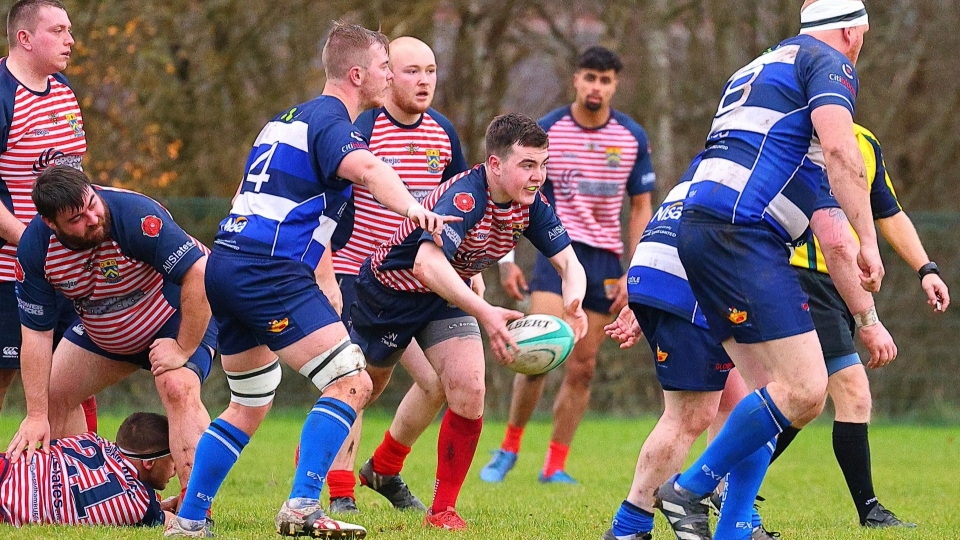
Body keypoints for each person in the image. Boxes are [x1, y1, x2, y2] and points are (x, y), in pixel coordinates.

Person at [165, 22, 455, 539]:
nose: (391, 76)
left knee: (248, 403)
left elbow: (259, 202)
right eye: (385, 67)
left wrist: (323, 281)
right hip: (267, 269)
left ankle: (188, 522)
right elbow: (368, 170)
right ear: (358, 73)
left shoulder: (284, 121)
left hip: (228, 263)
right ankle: (302, 505)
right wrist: (415, 207)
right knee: (352, 382)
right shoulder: (330, 120)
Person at [652, 2, 883, 539]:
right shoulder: (829, 61)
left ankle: (734, 529)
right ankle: (690, 489)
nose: (860, 49)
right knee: (805, 390)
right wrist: (867, 237)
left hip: (700, 224)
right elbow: (840, 148)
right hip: (744, 232)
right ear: (850, 30)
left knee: (767, 395)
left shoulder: (758, 67)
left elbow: (798, 164)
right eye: (863, 37)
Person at [349, 112, 588, 529]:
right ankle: (312, 478)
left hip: (446, 295)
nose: (538, 176)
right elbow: (425, 264)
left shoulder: (531, 206)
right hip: (390, 294)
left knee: (468, 387)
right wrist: (486, 312)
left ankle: (439, 509)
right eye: (527, 165)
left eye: (543, 164)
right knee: (357, 390)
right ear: (495, 165)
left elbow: (569, 263)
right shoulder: (465, 198)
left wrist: (574, 302)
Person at [482, 45, 655, 485]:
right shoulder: (550, 129)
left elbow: (640, 209)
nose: (596, 87)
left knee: (582, 365)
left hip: (605, 260)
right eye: (589, 78)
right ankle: (509, 448)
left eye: (605, 80)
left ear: (615, 85)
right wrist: (506, 259)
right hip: (556, 251)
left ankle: (555, 464)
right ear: (575, 79)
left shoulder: (632, 137)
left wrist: (636, 273)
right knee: (538, 351)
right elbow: (511, 193)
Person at [764, 123, 950, 528]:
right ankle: (870, 512)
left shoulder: (864, 143)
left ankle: (719, 482)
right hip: (797, 278)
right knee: (852, 392)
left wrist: (926, 269)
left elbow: (889, 213)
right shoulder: (783, 133)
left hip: (844, 285)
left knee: (804, 402)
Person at [6, 166, 215, 513]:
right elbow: (37, 335)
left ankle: (196, 513)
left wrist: (183, 349)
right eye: (76, 218)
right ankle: (76, 500)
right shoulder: (35, 250)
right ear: (50, 224)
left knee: (177, 386)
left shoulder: (135, 216)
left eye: (92, 203)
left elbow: (200, 273)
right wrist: (36, 414)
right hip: (104, 333)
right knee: (53, 395)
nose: (92, 217)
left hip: (174, 319)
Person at [322, 36, 469, 514]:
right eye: (410, 71)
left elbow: (469, 201)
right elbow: (328, 203)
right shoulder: (360, 128)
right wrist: (325, 271)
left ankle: (383, 468)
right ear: (385, 77)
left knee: (439, 384)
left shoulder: (444, 132)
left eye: (430, 70)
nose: (423, 80)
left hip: (424, 279)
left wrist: (475, 267)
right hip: (360, 280)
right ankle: (340, 493)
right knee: (354, 380)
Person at [0, 0, 96, 428]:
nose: (70, 40)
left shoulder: (63, 89)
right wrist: (32, 243)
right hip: (10, 269)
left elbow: (73, 177)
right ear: (24, 38)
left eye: (69, 30)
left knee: (72, 379)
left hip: (66, 268)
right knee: (5, 376)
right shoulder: (2, 93)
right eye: (58, 31)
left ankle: (75, 485)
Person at [0, 412, 177, 527]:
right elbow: (177, 524)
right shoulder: (141, 502)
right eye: (173, 459)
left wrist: (162, 505)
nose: (176, 469)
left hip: (7, 468)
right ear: (149, 463)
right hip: (9, 507)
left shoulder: (92, 441)